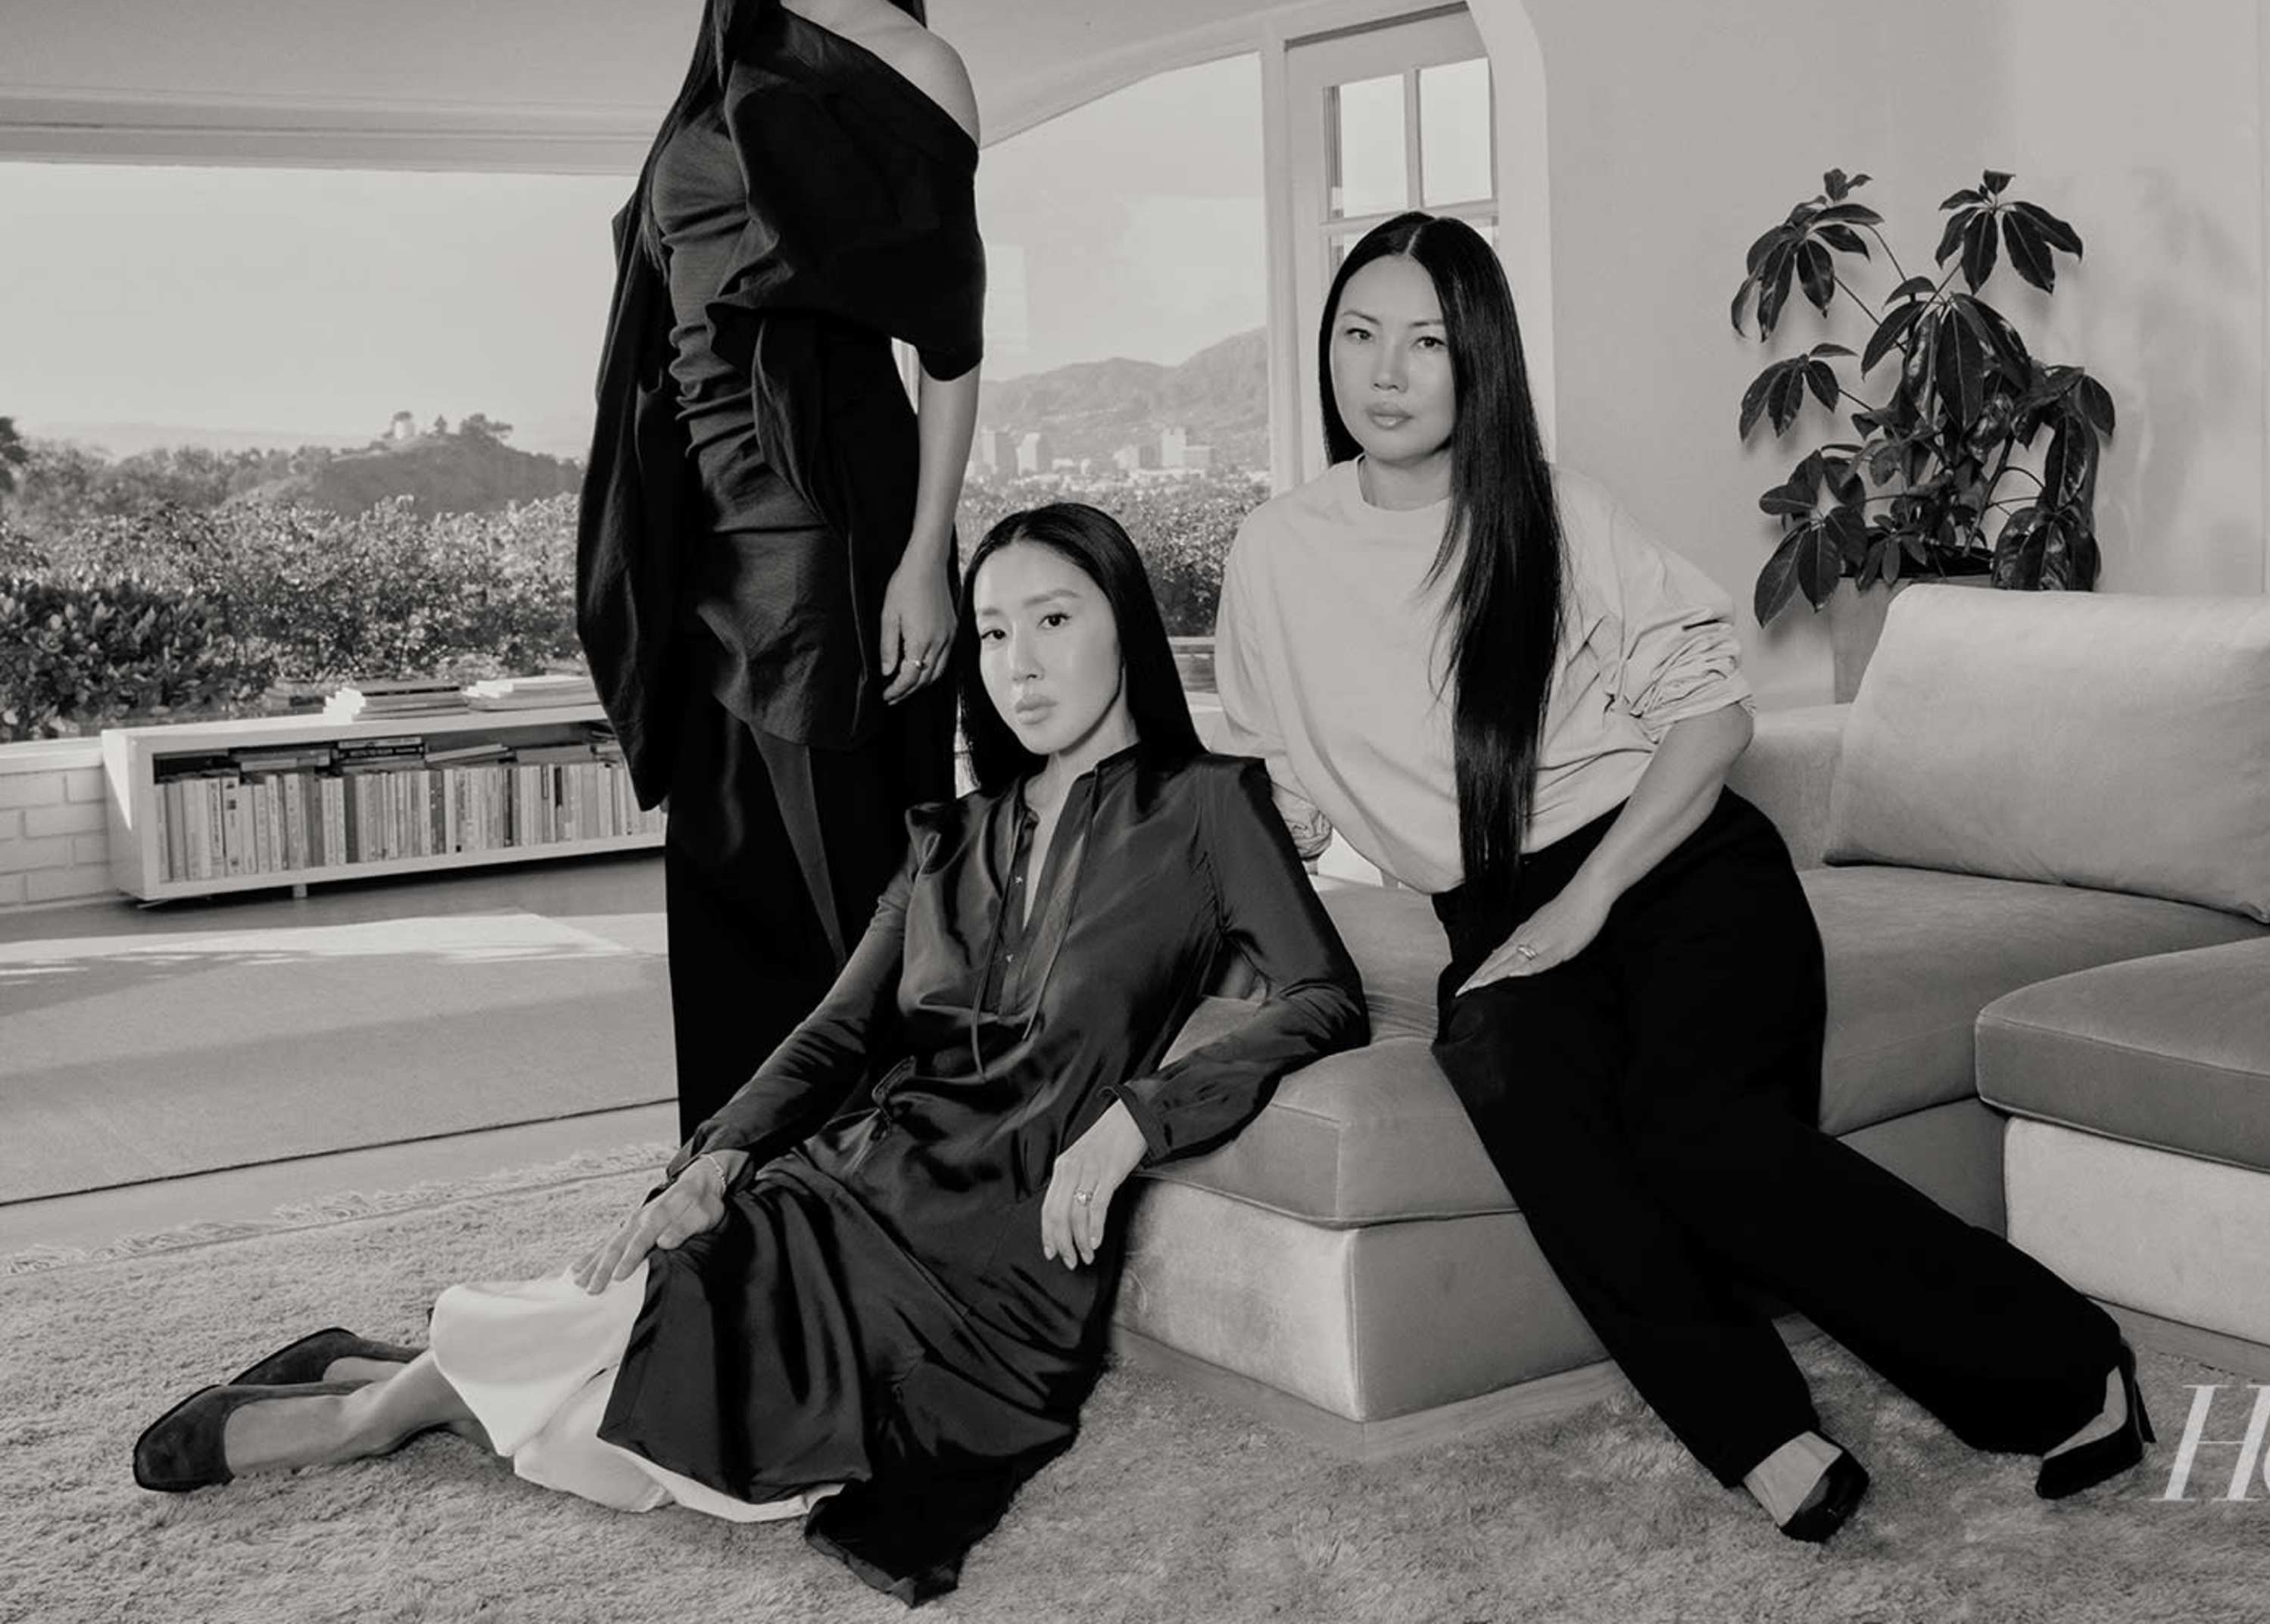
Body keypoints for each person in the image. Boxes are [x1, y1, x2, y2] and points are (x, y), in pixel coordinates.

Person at [134, 506, 1369, 1606]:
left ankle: (368, 1409)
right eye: (993, 634)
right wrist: (716, 1155)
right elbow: (836, 1031)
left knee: (703, 1428)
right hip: (859, 1179)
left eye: (1053, 618)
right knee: (679, 1275)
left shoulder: (1210, 807)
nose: (1021, 663)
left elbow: (1322, 997)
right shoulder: (951, 837)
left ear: (1125, 627)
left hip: (991, 1257)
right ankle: (382, 1395)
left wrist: (1140, 1116)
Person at [1214, 214, 2154, 1541]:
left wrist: (1583, 907)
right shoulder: (1274, 556)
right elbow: (1278, 778)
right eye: (1358, 336)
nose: (1386, 372)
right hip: (1495, 905)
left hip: (1673, 872)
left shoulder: (1551, 513)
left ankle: (2068, 1366)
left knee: (1702, 1139)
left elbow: (1714, 719)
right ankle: (1757, 1428)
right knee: (1507, 1069)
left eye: (1426, 341)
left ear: (1478, 360)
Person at [576, 0, 988, 1138]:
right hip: (692, 525)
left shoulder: (914, 65)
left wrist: (929, 556)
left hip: (828, 526)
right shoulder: (718, 71)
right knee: (731, 894)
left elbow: (950, 344)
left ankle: (875, 1222)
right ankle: (732, 1203)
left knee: (852, 903)